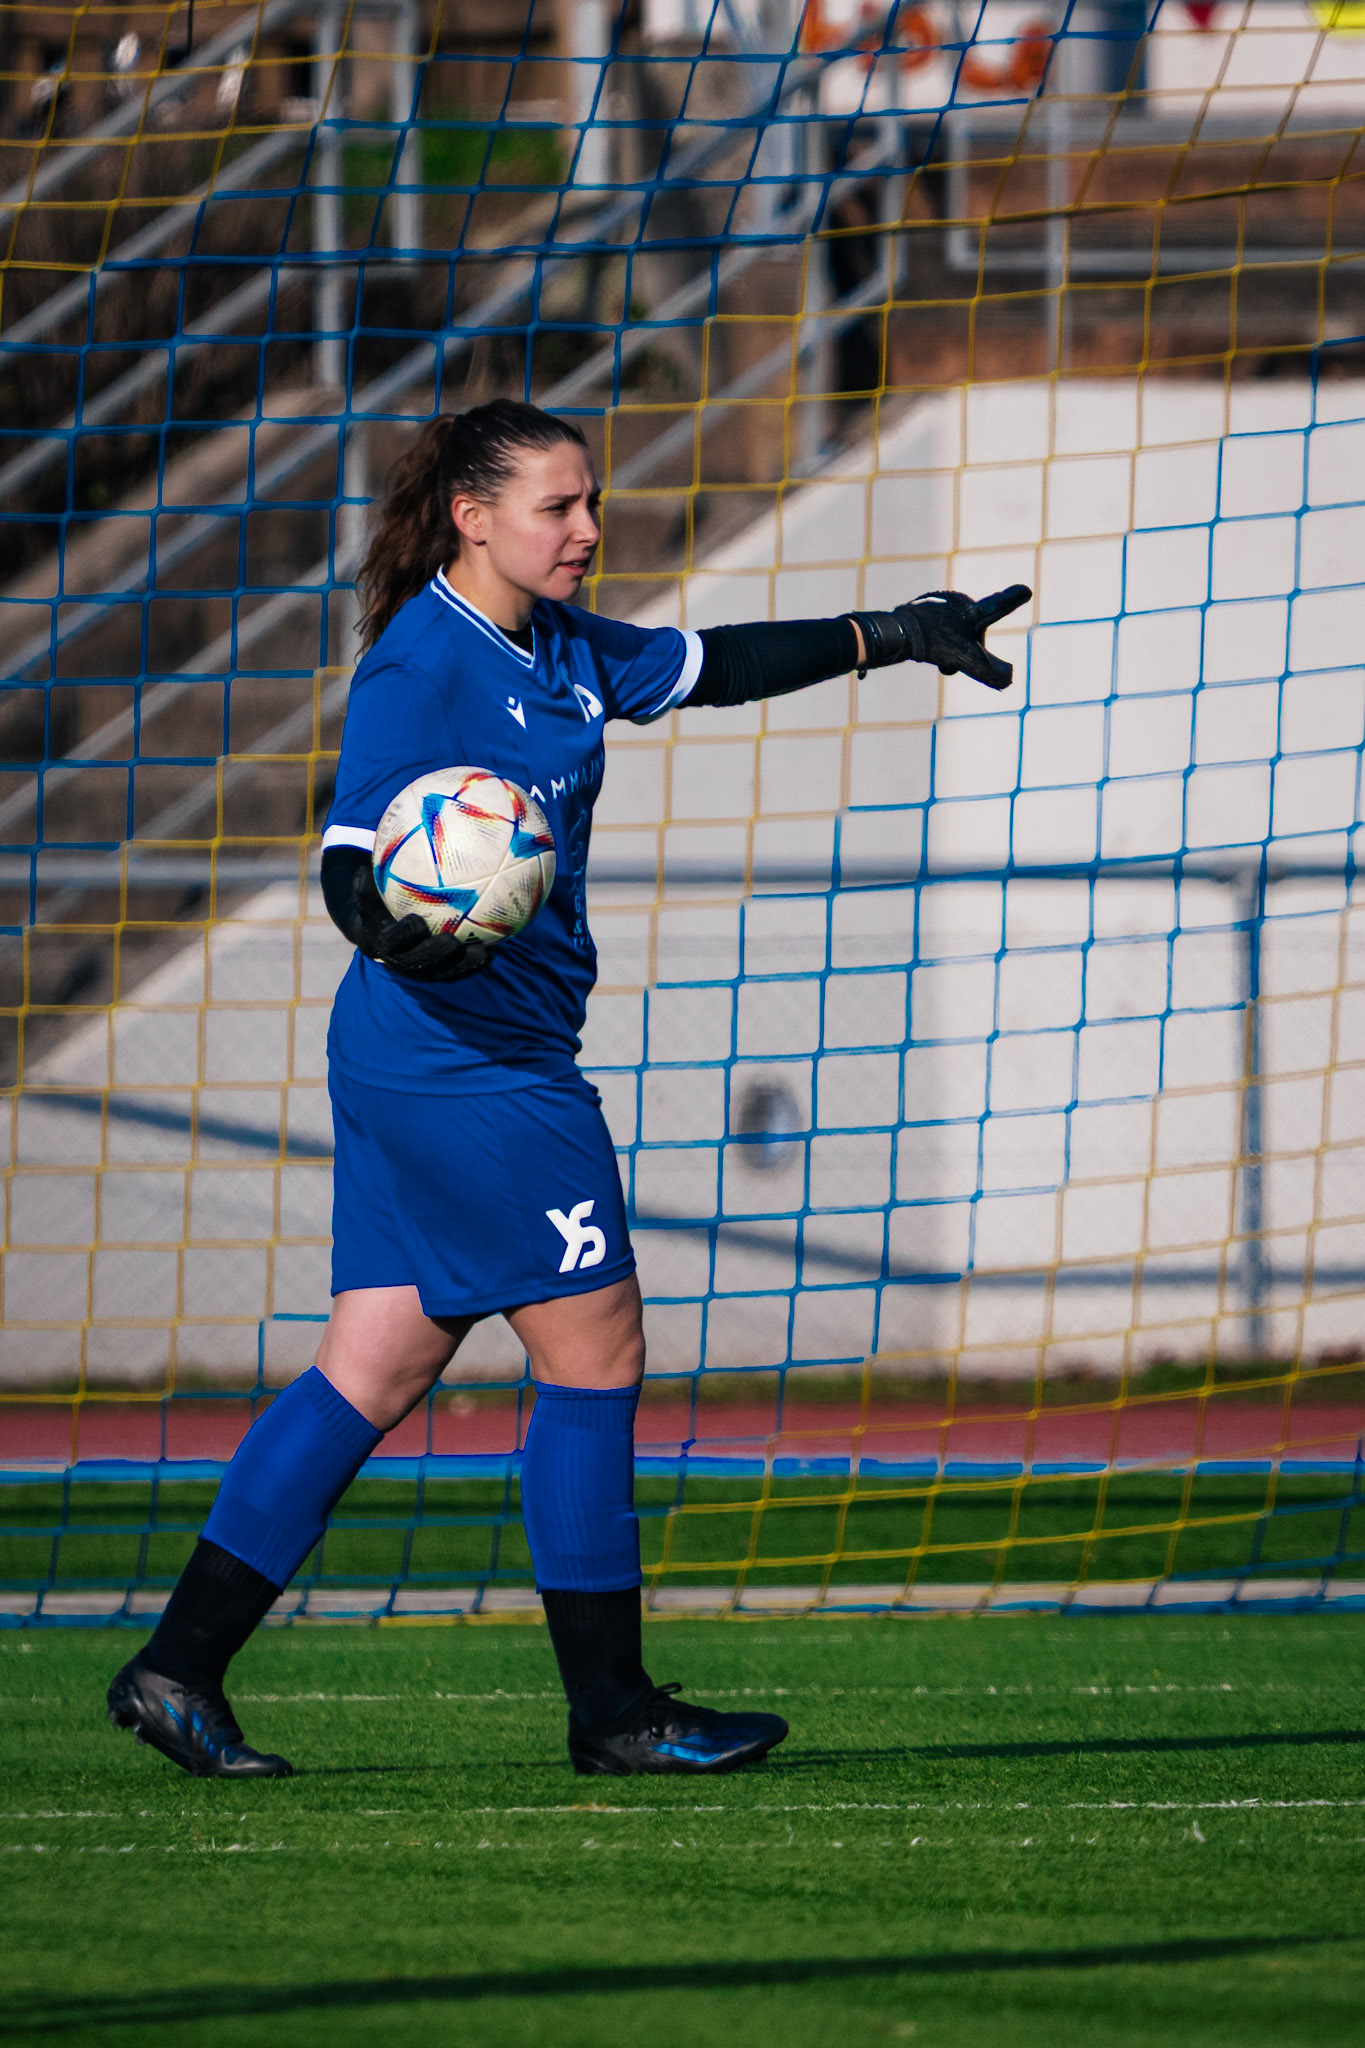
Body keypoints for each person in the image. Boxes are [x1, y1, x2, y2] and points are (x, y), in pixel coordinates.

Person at [107, 398, 1027, 1780]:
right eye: (557, 505)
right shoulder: (423, 663)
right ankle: (616, 1711)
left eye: (588, 501)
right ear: (472, 516)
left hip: (437, 1053)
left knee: (378, 1359)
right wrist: (385, 914)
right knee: (592, 1352)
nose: (588, 528)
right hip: (464, 1059)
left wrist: (892, 634)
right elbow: (350, 851)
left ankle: (176, 1668)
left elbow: (709, 664)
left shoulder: (558, 643)